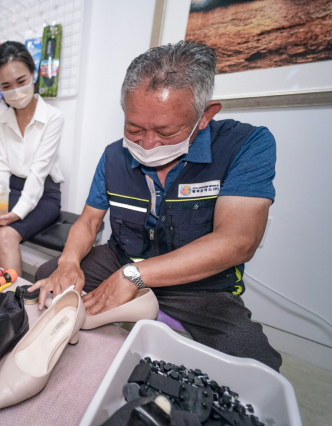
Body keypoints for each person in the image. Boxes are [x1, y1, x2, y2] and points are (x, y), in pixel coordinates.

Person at [30, 41, 282, 371]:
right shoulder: (113, 156)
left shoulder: (246, 146)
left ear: (204, 116)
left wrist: (134, 276)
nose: (148, 144)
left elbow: (237, 241)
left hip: (198, 286)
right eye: (134, 129)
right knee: (50, 279)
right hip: (122, 257)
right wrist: (68, 260)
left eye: (166, 132)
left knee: (255, 363)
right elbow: (90, 220)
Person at [0, 41, 65, 274]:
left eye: (21, 81)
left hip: (44, 193)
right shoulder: (2, 121)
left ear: (34, 75)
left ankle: (11, 304)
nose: (15, 91)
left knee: (6, 235)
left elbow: (38, 173)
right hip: (10, 191)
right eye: (6, 85)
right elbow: (1, 168)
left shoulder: (53, 117)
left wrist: (16, 213)